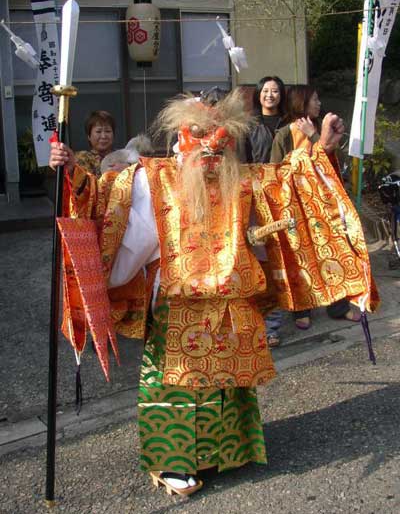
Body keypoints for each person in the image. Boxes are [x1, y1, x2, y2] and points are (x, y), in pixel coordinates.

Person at [50, 90, 376, 496]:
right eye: (199, 135)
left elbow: (289, 185)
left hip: (233, 298)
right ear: (179, 140)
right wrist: (71, 175)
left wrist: (323, 147)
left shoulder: (241, 179)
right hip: (177, 299)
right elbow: (105, 206)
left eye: (218, 138)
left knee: (228, 382)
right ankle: (172, 460)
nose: (209, 146)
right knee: (178, 383)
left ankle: (227, 452)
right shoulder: (152, 178)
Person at [270, 84, 361, 330]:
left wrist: (315, 136)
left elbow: (334, 163)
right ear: (301, 102)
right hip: (295, 205)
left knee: (333, 251)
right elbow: (275, 172)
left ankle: (338, 305)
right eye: (315, 99)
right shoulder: (283, 135)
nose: (319, 104)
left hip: (325, 204)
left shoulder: (323, 128)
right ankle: (302, 308)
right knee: (300, 255)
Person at [245, 76, 287, 347]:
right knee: (257, 258)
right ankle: (257, 322)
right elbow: (241, 162)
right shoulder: (248, 125)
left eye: (275, 91)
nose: (270, 95)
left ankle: (273, 326)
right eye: (266, 90)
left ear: (281, 95)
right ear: (258, 95)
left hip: (282, 197)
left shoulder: (289, 124)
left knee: (278, 259)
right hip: (255, 197)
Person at [75, 110, 116, 177]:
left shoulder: (123, 156)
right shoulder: (82, 158)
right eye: (98, 131)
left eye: (108, 131)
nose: (103, 136)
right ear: (89, 136)